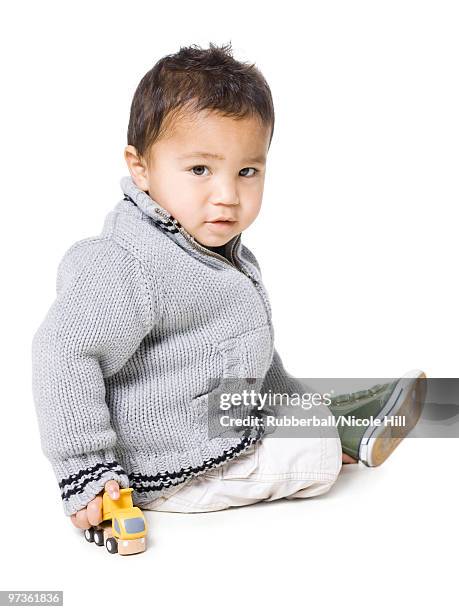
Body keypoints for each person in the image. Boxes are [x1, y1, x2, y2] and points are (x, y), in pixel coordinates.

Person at [31, 42, 427, 531]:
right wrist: (86, 469)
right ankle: (337, 436)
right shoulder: (127, 263)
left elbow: (253, 354)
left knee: (298, 409)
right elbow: (61, 352)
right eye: (200, 170)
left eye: (247, 172)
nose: (227, 196)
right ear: (141, 168)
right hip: (169, 462)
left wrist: (297, 405)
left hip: (209, 416)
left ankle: (325, 414)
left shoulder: (212, 250)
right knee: (316, 457)